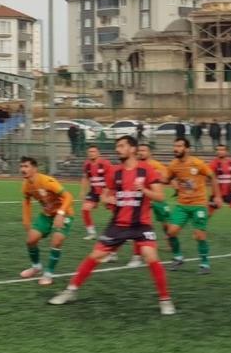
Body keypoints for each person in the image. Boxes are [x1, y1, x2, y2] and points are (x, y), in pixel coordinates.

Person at [48, 135, 175, 315]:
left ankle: (165, 299)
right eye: (117, 146)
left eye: (122, 146)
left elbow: (160, 196)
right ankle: (71, 291)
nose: (118, 149)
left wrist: (144, 190)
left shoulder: (147, 170)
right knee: (95, 256)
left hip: (141, 224)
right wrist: (109, 199)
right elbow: (104, 195)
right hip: (118, 224)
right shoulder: (115, 172)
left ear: (132, 149)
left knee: (151, 257)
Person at [165, 138, 222, 274]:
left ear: (187, 149)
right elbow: (166, 179)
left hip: (198, 204)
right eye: (175, 146)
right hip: (182, 205)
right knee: (171, 232)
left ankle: (204, 264)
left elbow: (212, 176)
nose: (176, 149)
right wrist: (172, 182)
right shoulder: (173, 165)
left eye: (179, 146)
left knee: (199, 235)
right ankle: (178, 257)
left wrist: (217, 196)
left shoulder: (197, 163)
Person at [19, 156, 75, 286]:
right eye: (21, 166)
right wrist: (26, 221)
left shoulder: (47, 181)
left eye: (26, 166)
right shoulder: (26, 186)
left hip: (64, 212)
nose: (22, 169)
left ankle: (48, 273)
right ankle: (36, 267)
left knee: (56, 241)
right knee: (31, 240)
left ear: (34, 168)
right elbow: (26, 202)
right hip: (47, 214)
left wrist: (61, 213)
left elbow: (68, 196)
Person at [127, 143, 173, 267]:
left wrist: (160, 178)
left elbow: (167, 178)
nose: (141, 152)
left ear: (149, 153)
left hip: (156, 199)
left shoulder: (157, 166)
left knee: (166, 222)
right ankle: (136, 256)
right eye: (139, 150)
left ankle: (170, 240)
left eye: (144, 150)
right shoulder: (135, 166)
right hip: (141, 200)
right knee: (137, 225)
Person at [80, 145, 113, 242]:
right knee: (85, 209)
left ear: (98, 153)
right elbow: (86, 178)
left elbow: (111, 178)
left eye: (93, 151)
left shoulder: (105, 163)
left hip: (106, 190)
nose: (91, 153)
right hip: (94, 191)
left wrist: (105, 193)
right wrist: (83, 191)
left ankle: (124, 231)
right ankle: (91, 233)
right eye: (89, 152)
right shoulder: (87, 164)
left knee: (117, 212)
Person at [209, 144, 231, 217]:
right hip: (217, 194)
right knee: (207, 215)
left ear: (226, 151)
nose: (219, 151)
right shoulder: (213, 164)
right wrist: (217, 196)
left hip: (229, 193)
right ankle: (198, 227)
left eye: (222, 150)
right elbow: (212, 179)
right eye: (218, 150)